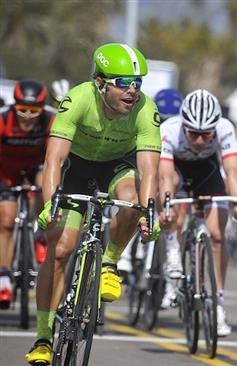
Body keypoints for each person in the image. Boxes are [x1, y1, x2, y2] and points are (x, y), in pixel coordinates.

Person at [25, 43, 161, 365]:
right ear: (100, 82)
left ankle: (109, 262)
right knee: (60, 250)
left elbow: (149, 170)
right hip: (76, 168)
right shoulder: (78, 99)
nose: (132, 91)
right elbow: (54, 159)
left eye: (138, 83)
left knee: (133, 202)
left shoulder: (146, 109)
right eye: (123, 83)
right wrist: (50, 205)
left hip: (118, 167)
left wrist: (149, 211)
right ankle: (43, 337)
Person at [158, 89, 237, 336]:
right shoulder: (168, 130)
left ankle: (217, 303)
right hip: (177, 171)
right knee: (169, 192)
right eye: (194, 134)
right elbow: (164, 177)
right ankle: (173, 247)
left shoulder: (225, 128)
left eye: (206, 134)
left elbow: (232, 173)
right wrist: (166, 207)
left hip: (207, 174)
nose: (199, 140)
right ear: (183, 125)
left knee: (217, 236)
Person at [0, 80, 56, 308]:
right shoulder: (3, 120)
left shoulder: (50, 121)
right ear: (14, 107)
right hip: (5, 172)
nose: (28, 116)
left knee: (46, 181)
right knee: (5, 220)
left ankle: (42, 231)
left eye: (34, 111)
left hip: (35, 169)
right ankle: (3, 277)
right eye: (23, 110)